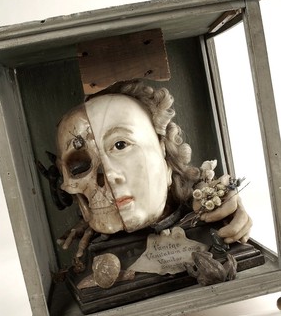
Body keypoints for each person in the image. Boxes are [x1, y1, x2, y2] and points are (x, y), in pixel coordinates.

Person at [56, 80, 252, 260]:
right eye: (79, 166)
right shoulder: (95, 247)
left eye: (121, 145)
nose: (108, 176)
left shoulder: (200, 206)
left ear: (163, 150)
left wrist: (221, 201)